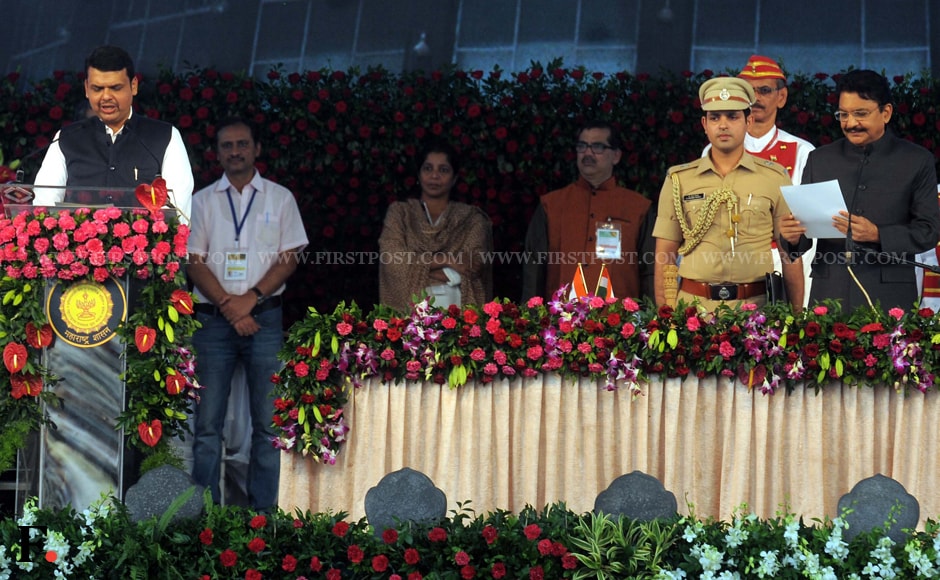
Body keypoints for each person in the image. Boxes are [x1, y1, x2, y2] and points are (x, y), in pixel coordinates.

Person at [187, 116, 308, 511]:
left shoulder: (279, 197)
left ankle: (263, 519)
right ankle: (205, 518)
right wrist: (230, 305)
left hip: (265, 318)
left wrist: (251, 299)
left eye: (242, 144)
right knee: (207, 428)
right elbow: (194, 261)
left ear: (257, 149)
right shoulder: (202, 201)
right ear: (217, 153)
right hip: (213, 321)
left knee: (269, 426)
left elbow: (289, 258)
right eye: (227, 145)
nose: (235, 151)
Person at [779, 69, 940, 312]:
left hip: (890, 298)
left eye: (860, 114)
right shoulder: (820, 160)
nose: (851, 123)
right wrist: (791, 238)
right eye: (843, 114)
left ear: (886, 113)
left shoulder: (916, 161)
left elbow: (928, 232)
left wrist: (878, 234)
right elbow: (804, 236)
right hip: (829, 296)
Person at [653, 77, 804, 312]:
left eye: (732, 116)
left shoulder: (775, 177)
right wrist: (666, 318)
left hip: (756, 312)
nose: (723, 125)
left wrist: (796, 318)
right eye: (715, 117)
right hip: (693, 311)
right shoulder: (679, 179)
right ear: (704, 124)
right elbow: (665, 256)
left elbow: (789, 254)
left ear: (749, 121)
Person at [33, 45, 193, 220]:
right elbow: (42, 212)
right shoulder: (66, 139)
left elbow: (178, 217)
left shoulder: (164, 136)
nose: (106, 96)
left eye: (115, 88)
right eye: (98, 89)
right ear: (86, 88)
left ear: (133, 86)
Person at [522, 120, 654, 301]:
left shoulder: (638, 207)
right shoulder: (551, 205)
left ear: (616, 156)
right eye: (582, 146)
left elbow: (650, 271)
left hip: (622, 323)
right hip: (560, 321)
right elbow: (534, 270)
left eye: (598, 147)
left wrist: (652, 320)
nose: (588, 153)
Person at [378, 140, 492, 312]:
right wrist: (448, 261)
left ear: (454, 178)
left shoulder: (471, 219)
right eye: (428, 168)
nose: (434, 176)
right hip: (411, 315)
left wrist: (417, 269)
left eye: (443, 170)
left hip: (457, 313)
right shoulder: (401, 214)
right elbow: (392, 259)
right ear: (418, 174)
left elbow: (473, 265)